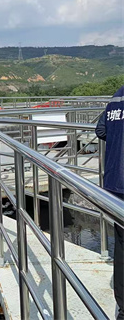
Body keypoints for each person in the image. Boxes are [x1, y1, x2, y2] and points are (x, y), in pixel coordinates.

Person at [96, 85, 124, 320]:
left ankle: (123, 309)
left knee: (121, 247)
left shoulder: (116, 98)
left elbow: (101, 130)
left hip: (115, 181)